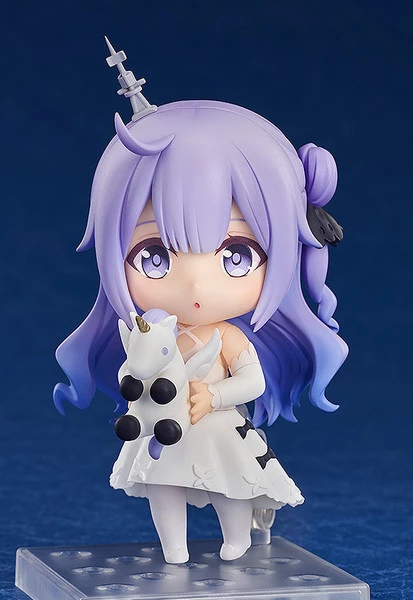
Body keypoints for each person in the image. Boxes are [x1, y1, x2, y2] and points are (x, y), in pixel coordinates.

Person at [54, 82, 347, 564]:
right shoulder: (153, 331)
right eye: (153, 257)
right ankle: (174, 547)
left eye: (236, 256)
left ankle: (238, 537)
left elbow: (251, 381)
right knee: (161, 486)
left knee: (230, 486)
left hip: (215, 426)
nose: (195, 286)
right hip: (163, 427)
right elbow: (138, 367)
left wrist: (214, 395)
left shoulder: (227, 337)